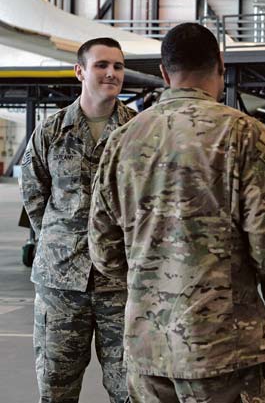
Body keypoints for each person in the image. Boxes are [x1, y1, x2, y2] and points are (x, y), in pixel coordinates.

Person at [88, 23, 265, 403]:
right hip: (225, 349)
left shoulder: (122, 140)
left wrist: (149, 283)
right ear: (220, 65)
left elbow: (103, 249)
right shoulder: (243, 134)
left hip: (148, 347)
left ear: (165, 73)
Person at [20, 37, 135, 403]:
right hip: (60, 285)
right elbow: (34, 195)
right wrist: (61, 241)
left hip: (122, 283)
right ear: (80, 70)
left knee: (131, 388)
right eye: (102, 65)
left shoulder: (137, 131)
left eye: (117, 66)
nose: (111, 73)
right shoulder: (52, 131)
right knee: (56, 387)